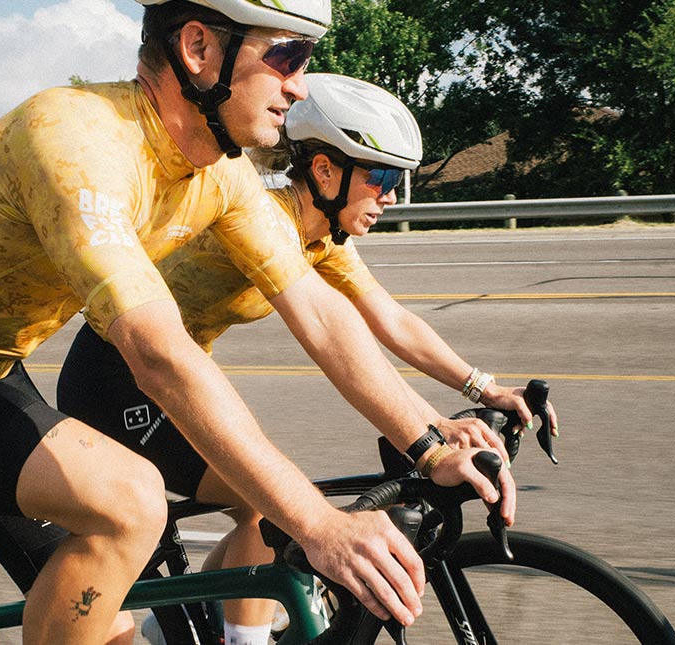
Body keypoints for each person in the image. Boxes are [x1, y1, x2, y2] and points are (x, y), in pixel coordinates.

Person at [0, 2, 511, 643]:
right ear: (200, 47)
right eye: (287, 57)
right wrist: (318, 523)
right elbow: (157, 354)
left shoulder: (222, 177)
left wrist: (429, 443)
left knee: (115, 620)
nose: (300, 85)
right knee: (131, 502)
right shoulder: (75, 139)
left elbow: (325, 320)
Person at [58, 73, 557, 643]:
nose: (391, 195)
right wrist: (430, 437)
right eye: (382, 176)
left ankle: (188, 620)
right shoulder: (265, 221)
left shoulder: (320, 238)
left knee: (268, 506)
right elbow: (325, 335)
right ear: (324, 171)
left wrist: (483, 389)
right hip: (115, 380)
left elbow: (391, 322)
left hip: (169, 377)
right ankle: (239, 638)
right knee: (265, 502)